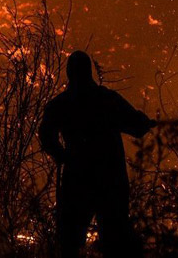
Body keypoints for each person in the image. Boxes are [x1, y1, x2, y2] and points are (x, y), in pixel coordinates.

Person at [39, 50, 155, 258]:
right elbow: (135, 126)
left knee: (70, 242)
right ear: (89, 71)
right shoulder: (107, 100)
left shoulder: (61, 104)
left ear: (69, 73)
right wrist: (143, 122)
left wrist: (62, 155)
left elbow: (46, 136)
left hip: (78, 178)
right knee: (115, 240)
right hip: (110, 178)